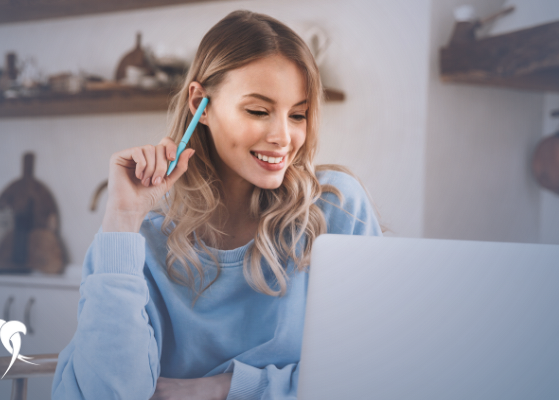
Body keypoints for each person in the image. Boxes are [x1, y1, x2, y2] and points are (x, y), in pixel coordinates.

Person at [52, 10, 382, 400]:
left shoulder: (336, 208)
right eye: (258, 111)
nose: (283, 137)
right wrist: (122, 220)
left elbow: (370, 374)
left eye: (298, 115)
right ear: (201, 104)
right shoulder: (139, 232)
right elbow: (104, 393)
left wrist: (221, 388)